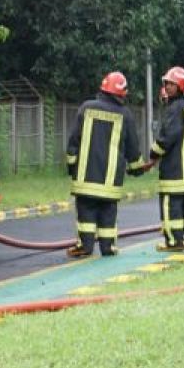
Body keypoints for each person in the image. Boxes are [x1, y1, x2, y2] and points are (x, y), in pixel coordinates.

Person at [64, 71, 144, 258]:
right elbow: (133, 148)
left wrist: (72, 166)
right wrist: (137, 169)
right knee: (108, 214)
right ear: (122, 93)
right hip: (110, 184)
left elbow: (73, 142)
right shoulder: (125, 115)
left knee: (86, 214)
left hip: (85, 179)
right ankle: (108, 248)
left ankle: (85, 246)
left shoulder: (86, 108)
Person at [148, 66, 184, 251]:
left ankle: (174, 241)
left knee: (170, 205)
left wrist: (154, 153)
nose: (167, 87)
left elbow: (168, 136)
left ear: (181, 85)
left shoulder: (175, 108)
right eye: (166, 83)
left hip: (175, 170)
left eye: (171, 84)